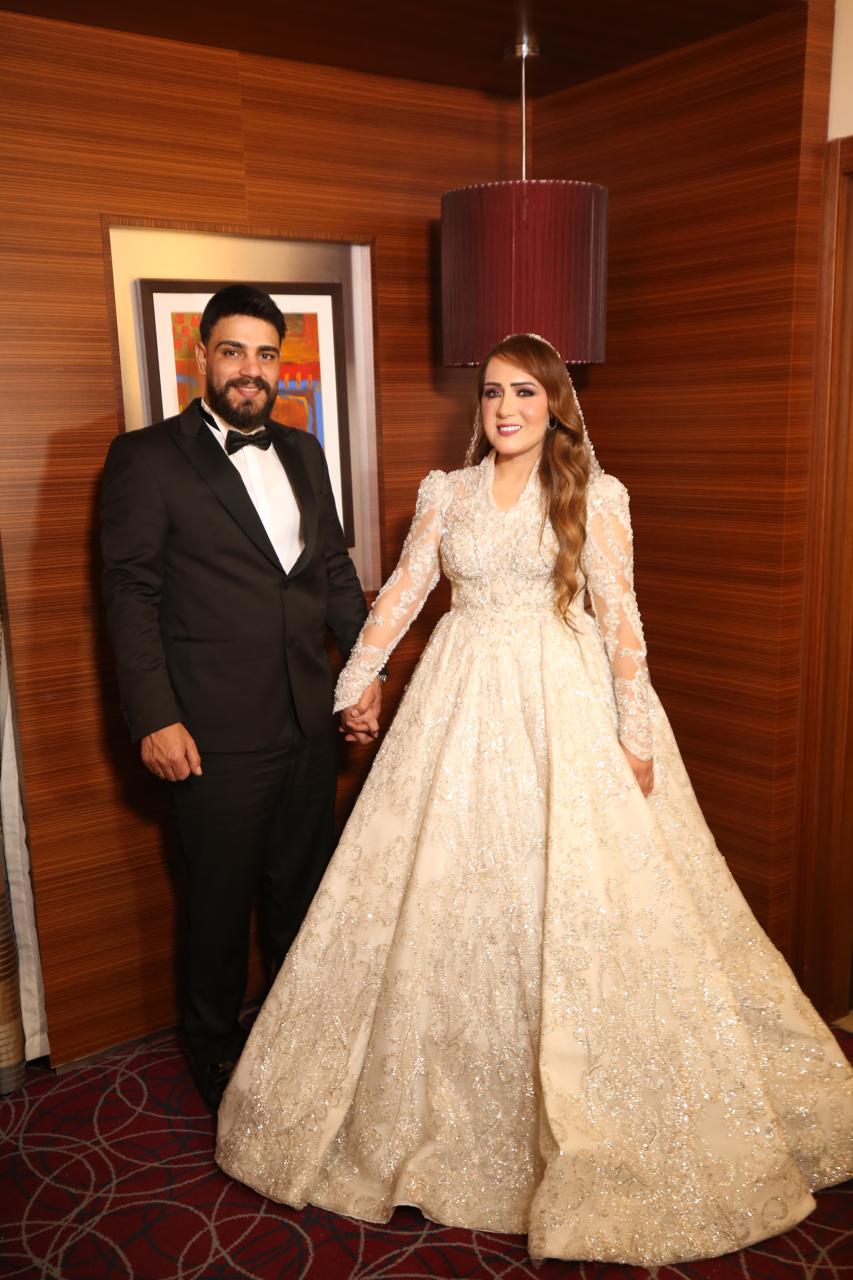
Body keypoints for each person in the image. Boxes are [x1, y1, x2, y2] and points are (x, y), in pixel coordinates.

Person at [215, 334, 853, 1265]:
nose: (505, 408)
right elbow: (404, 591)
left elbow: (621, 617)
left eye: (523, 392)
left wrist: (635, 735)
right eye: (491, 393)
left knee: (580, 899)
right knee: (447, 899)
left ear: (554, 402)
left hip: (564, 703)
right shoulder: (446, 492)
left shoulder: (593, 492)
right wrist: (356, 678)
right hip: (457, 698)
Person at [100, 284, 380, 1112]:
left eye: (264, 354)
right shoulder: (146, 458)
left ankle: (297, 1041)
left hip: (307, 717)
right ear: (203, 357)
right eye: (233, 352)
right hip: (210, 728)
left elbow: (332, 572)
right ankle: (214, 1052)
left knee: (302, 893)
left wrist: (363, 672)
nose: (249, 370)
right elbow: (129, 596)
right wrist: (155, 716)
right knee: (217, 906)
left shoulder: (304, 451)